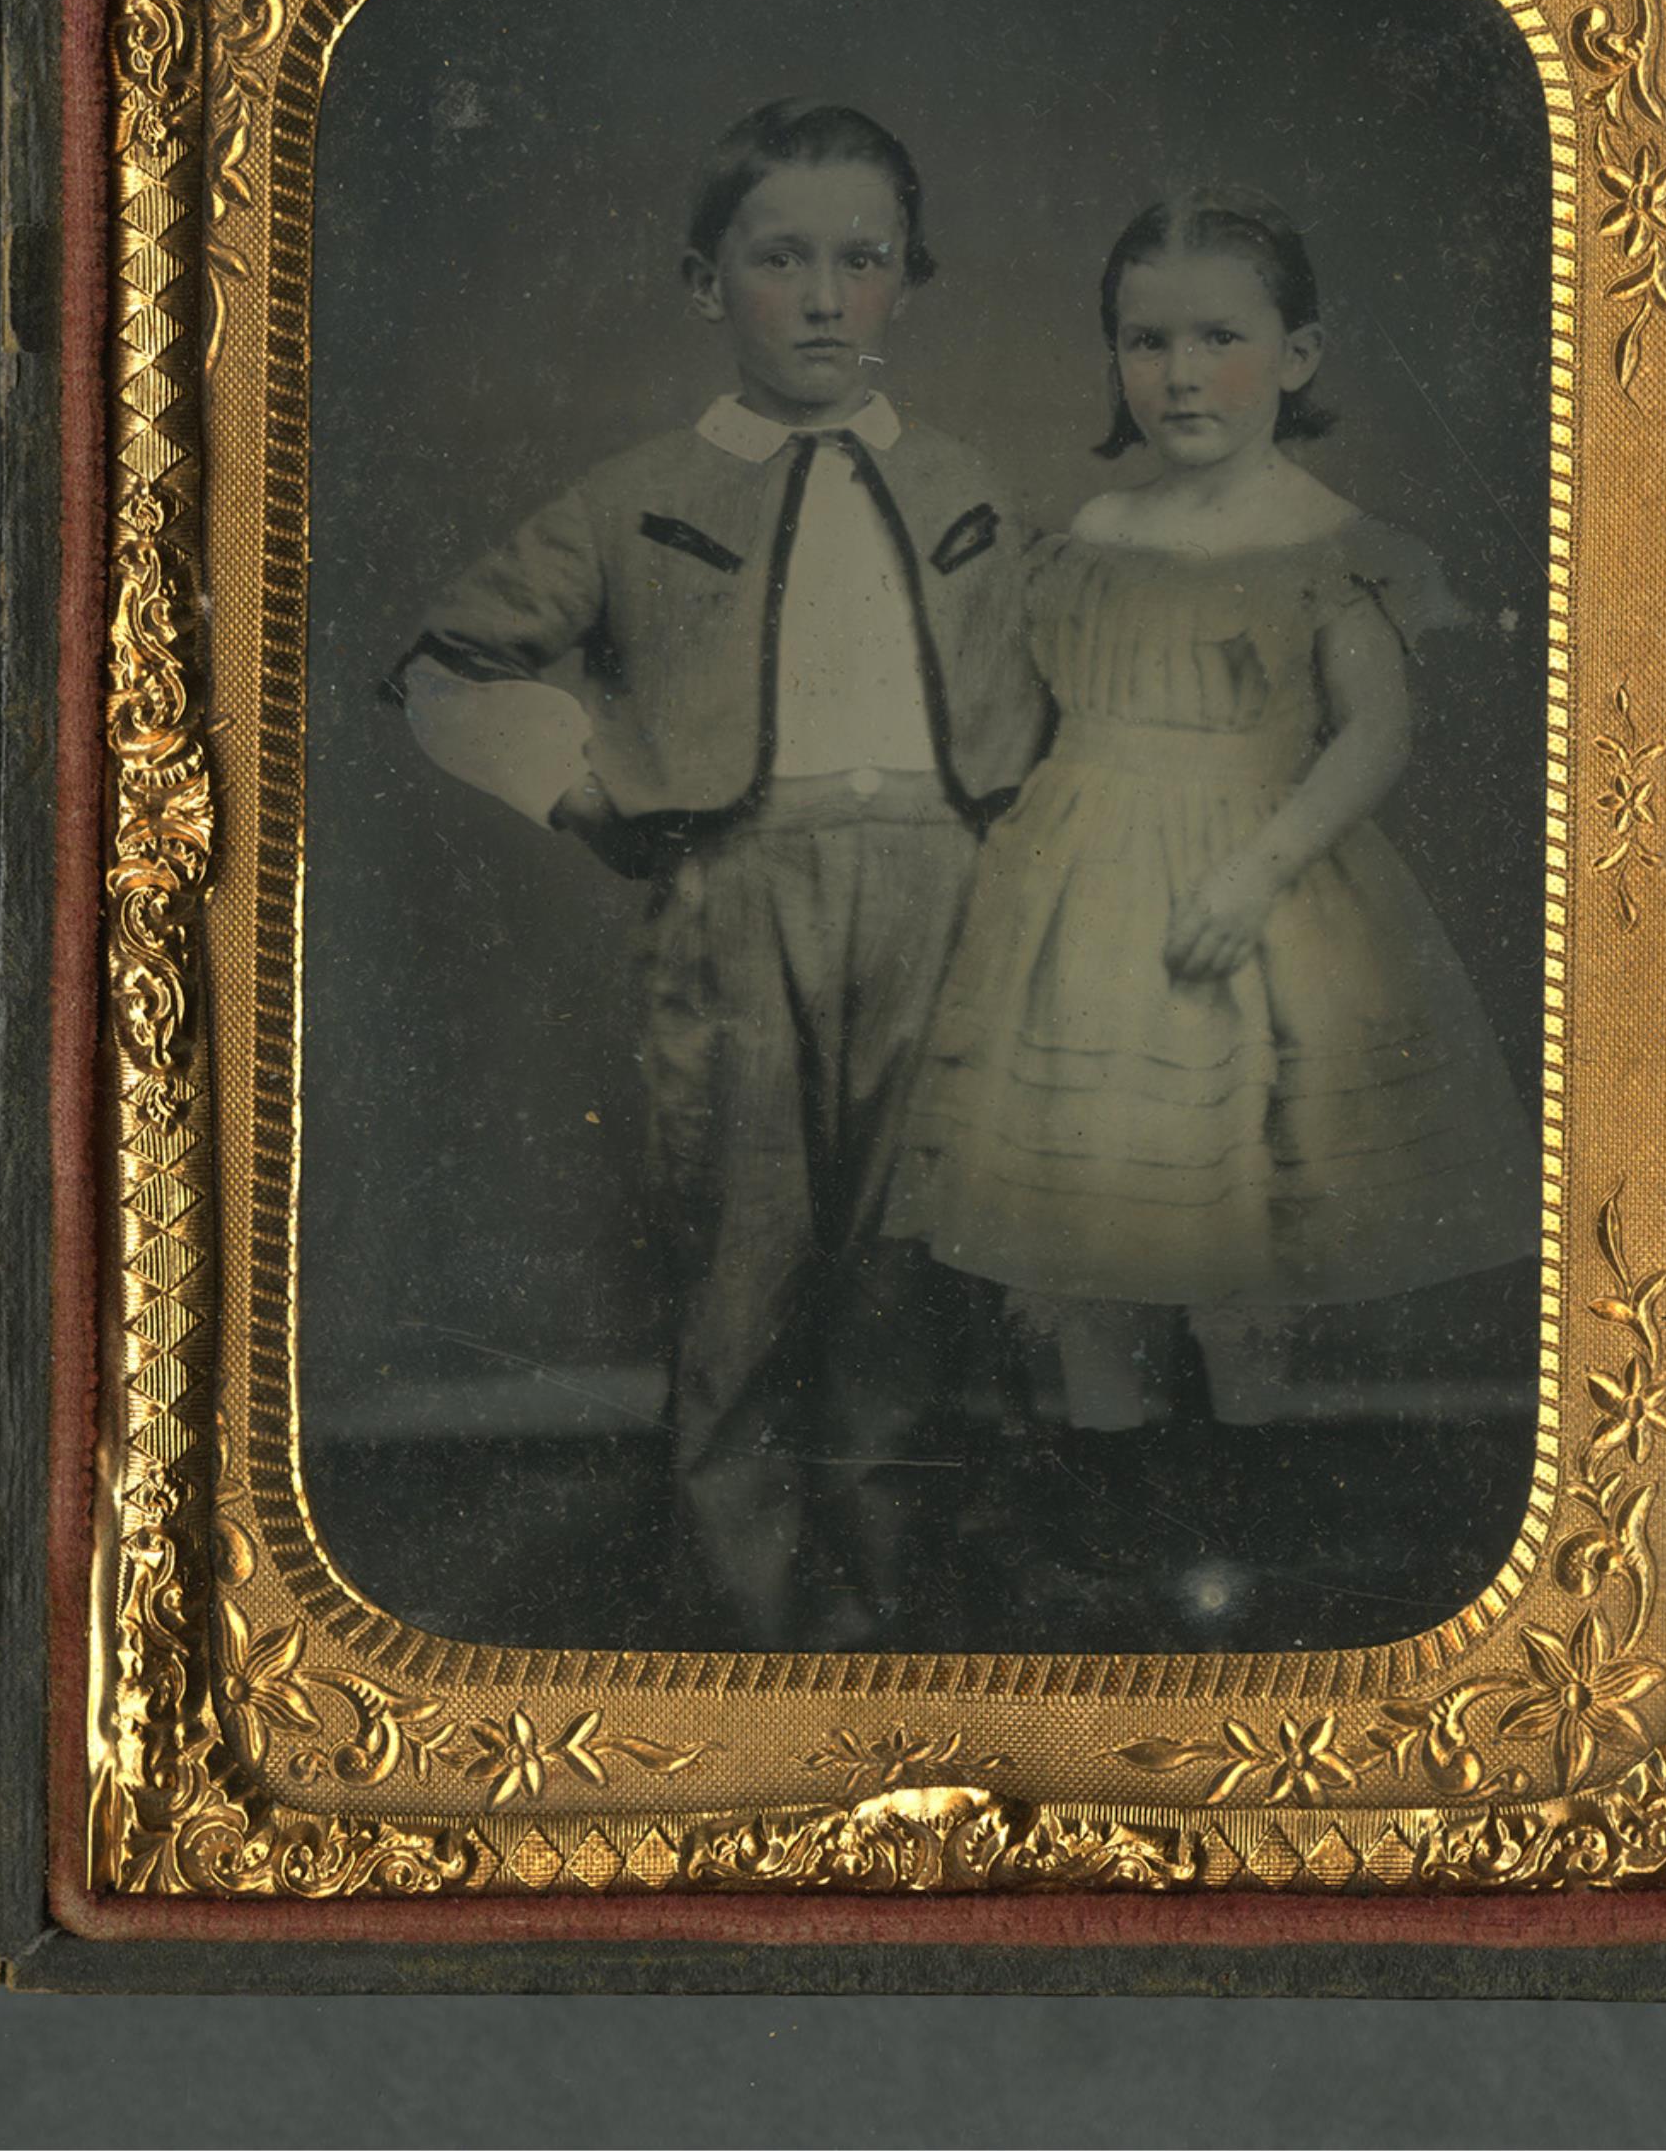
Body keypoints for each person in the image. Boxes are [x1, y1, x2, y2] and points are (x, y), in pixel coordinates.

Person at [389, 100, 1045, 1648]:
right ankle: (745, 1640)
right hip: (738, 908)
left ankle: (895, 1637)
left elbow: (1057, 688)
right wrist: (571, 785)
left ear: (909, 281)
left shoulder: (970, 483)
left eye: (861, 260)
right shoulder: (631, 495)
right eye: (780, 258)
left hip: (951, 905)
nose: (823, 297)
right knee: (746, 1277)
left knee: (909, 1282)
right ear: (707, 283)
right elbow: (440, 665)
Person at [883, 188, 1534, 1471]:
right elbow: (1018, 723)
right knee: (1087, 1216)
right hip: (1077, 908)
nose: (1181, 376)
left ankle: (1245, 1498)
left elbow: (1372, 734)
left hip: (1251, 897)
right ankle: (1116, 1502)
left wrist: (1254, 876)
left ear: (1295, 356)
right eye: (1146, 342)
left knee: (1239, 1218)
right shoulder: (1091, 535)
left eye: (1219, 340)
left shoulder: (1324, 540)